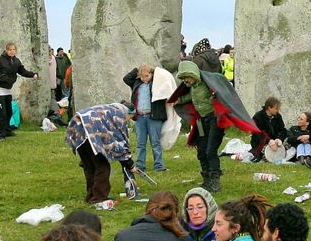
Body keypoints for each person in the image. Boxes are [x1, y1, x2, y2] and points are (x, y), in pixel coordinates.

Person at [172, 59, 259, 193]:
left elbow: (222, 91)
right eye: (183, 78)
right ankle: (206, 180)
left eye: (187, 77)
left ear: (193, 74)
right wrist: (178, 100)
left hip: (215, 120)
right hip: (202, 121)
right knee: (201, 152)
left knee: (210, 151)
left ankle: (215, 182)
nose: (186, 81)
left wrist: (215, 97)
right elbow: (190, 96)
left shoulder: (208, 82)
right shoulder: (193, 87)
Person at [66, 103, 138, 204]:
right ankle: (99, 197)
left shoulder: (108, 109)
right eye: (130, 118)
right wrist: (129, 164)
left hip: (76, 130)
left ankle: (91, 196)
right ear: (128, 113)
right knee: (102, 166)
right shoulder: (119, 114)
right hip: (90, 133)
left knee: (90, 166)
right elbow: (121, 141)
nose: (128, 120)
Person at [0, 42, 38, 142]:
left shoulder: (16, 61)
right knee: (2, 113)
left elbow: (23, 71)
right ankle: (0, 135)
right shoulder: (0, 60)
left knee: (9, 112)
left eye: (14, 49)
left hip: (8, 90)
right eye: (10, 50)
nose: (12, 51)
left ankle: (7, 130)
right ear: (6, 50)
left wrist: (33, 75)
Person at [123, 65, 168, 173]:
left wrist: (155, 72)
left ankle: (159, 165)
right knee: (140, 143)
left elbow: (165, 83)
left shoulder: (156, 83)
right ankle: (140, 165)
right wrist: (136, 70)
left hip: (154, 116)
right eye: (142, 76)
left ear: (152, 74)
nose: (144, 78)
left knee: (155, 142)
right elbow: (126, 79)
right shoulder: (137, 83)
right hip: (140, 117)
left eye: (147, 76)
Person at [250, 96, 289, 162]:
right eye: (276, 108)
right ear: (269, 108)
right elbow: (257, 133)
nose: (278, 110)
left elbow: (282, 130)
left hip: (275, 142)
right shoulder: (258, 116)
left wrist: (279, 139)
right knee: (263, 154)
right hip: (261, 142)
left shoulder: (278, 116)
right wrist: (269, 141)